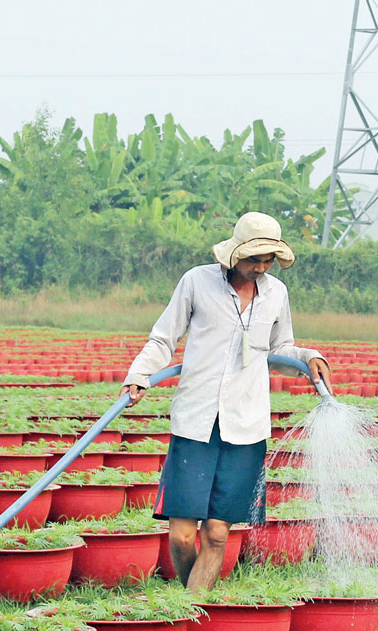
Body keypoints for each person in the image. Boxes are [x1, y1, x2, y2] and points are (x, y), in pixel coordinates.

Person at [120, 212, 330, 591]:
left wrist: (308, 356)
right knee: (183, 537)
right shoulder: (197, 282)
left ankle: (189, 613)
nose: (261, 268)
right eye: (254, 260)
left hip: (246, 427)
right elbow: (163, 338)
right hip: (196, 422)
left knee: (217, 534)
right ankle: (190, 602)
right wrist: (139, 375)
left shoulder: (276, 294)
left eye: (268, 261)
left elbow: (280, 348)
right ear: (235, 254)